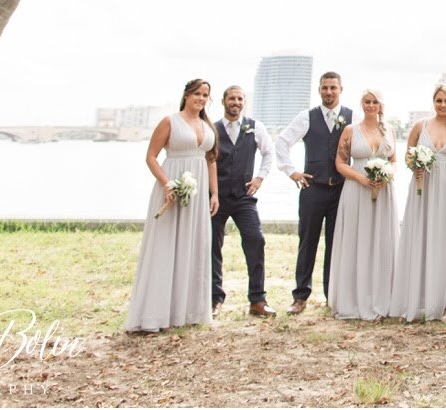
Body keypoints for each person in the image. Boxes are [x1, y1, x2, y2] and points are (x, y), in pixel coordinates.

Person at [125, 79, 219, 333]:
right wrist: (167, 184)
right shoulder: (170, 121)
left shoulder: (207, 125)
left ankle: (189, 311)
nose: (201, 98)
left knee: (195, 245)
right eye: (197, 93)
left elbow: (211, 160)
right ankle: (156, 313)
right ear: (187, 95)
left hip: (198, 193)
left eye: (205, 95)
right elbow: (151, 157)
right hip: (172, 185)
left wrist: (214, 193)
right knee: (166, 245)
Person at [390, 84, 446, 322]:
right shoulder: (420, 126)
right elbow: (408, 155)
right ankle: (419, 299)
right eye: (438, 100)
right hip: (423, 188)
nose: (443, 105)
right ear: (433, 102)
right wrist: (414, 165)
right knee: (422, 237)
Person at [274, 71, 353, 314]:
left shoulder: (352, 117)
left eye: (333, 88)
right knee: (307, 242)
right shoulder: (307, 117)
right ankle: (300, 296)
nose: (328, 92)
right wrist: (292, 172)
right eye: (324, 88)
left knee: (336, 244)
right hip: (312, 189)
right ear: (319, 90)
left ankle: (333, 295)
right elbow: (282, 143)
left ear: (341, 89)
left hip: (341, 190)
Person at [329, 88, 398, 320]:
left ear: (381, 105)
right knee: (357, 239)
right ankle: (354, 297)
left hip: (383, 190)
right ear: (362, 105)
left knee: (382, 240)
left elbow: (394, 159)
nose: (371, 105)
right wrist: (361, 178)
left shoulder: (390, 130)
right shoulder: (351, 130)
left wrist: (388, 174)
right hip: (356, 190)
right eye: (367, 102)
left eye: (375, 102)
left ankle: (382, 295)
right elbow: (340, 161)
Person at [210, 85, 276, 318]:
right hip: (216, 197)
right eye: (231, 98)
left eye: (239, 99)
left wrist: (259, 178)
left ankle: (257, 300)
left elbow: (269, 153)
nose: (235, 102)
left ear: (243, 102)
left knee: (256, 240)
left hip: (244, 196)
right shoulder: (213, 129)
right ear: (223, 101)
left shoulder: (255, 126)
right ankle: (214, 299)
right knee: (212, 246)